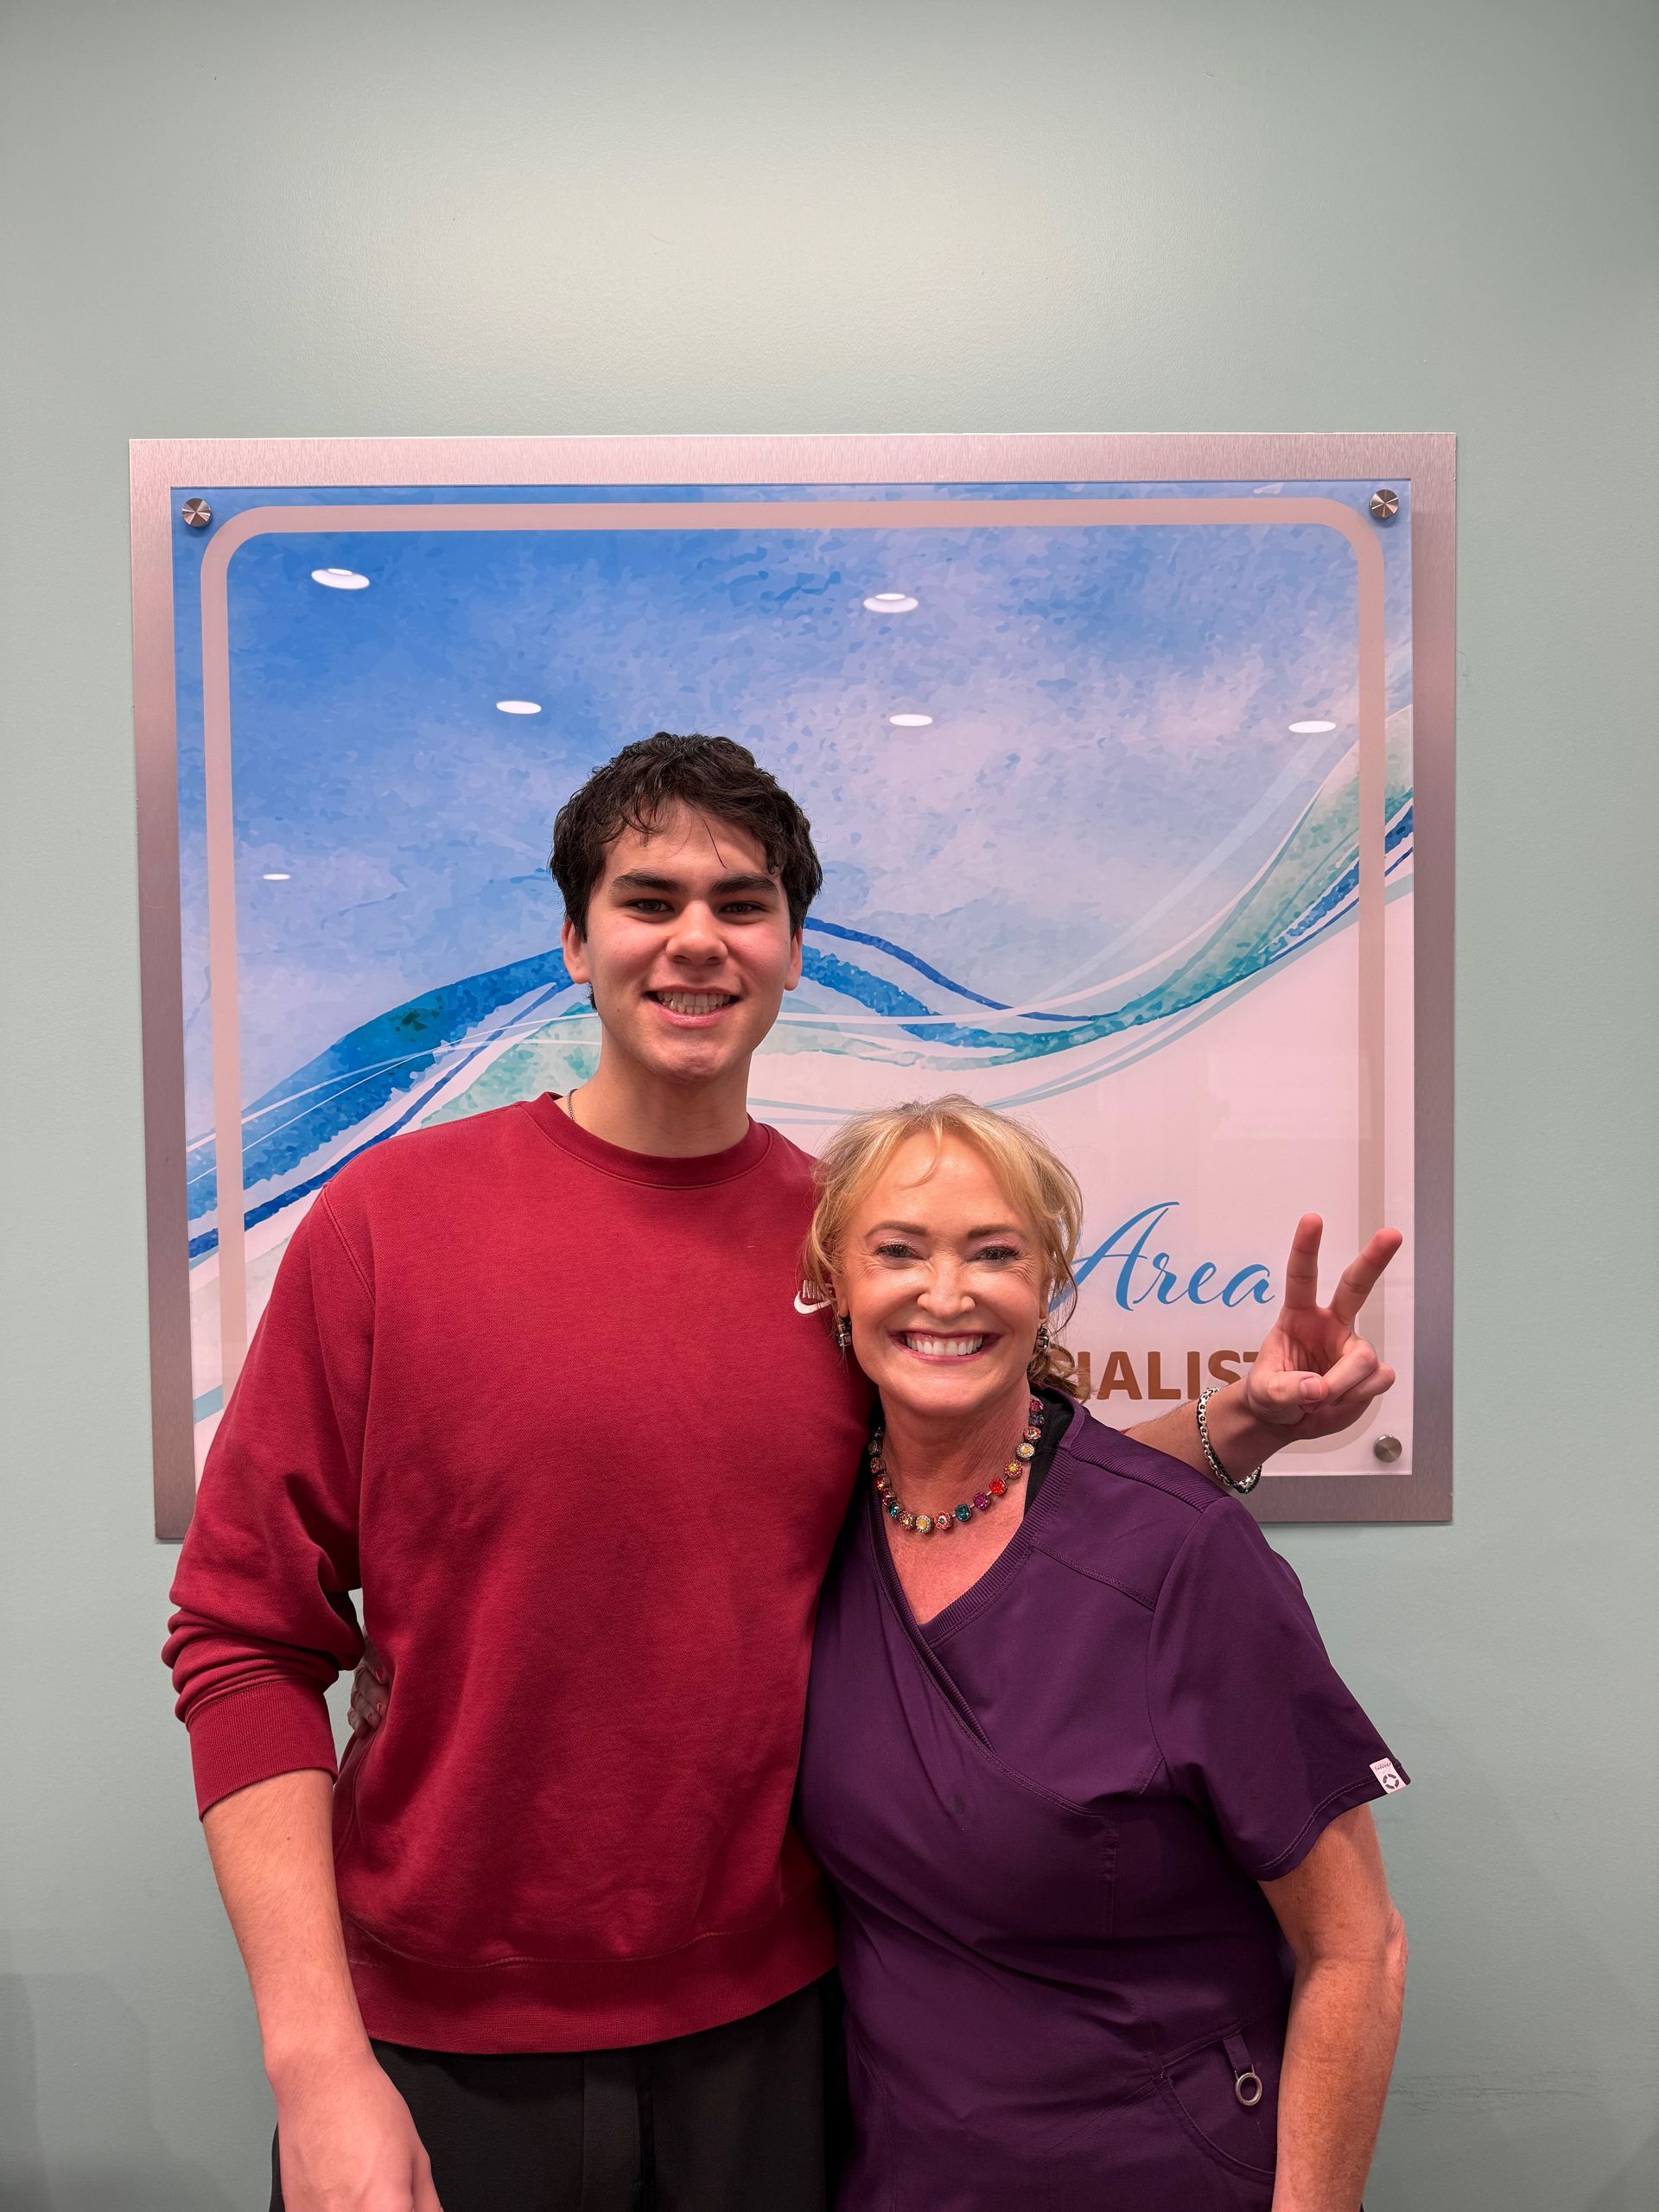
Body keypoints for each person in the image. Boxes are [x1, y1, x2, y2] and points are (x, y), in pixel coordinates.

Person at [165, 734, 1399, 2212]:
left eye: (743, 902)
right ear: (574, 941)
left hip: (775, 2039)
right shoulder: (389, 1226)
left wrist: (1243, 1425)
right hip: (434, 2045)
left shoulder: (852, 1248)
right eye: (649, 898)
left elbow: (992, 1501)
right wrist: (316, 2066)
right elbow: (240, 1640)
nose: (697, 939)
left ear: (797, 950)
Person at [794, 1096, 1408, 2212]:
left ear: (1048, 1287)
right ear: (836, 1285)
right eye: (898, 1252)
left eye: (995, 1253)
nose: (946, 1292)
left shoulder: (1186, 1561)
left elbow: (1357, 1951)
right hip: (901, 2178)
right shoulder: (813, 1533)